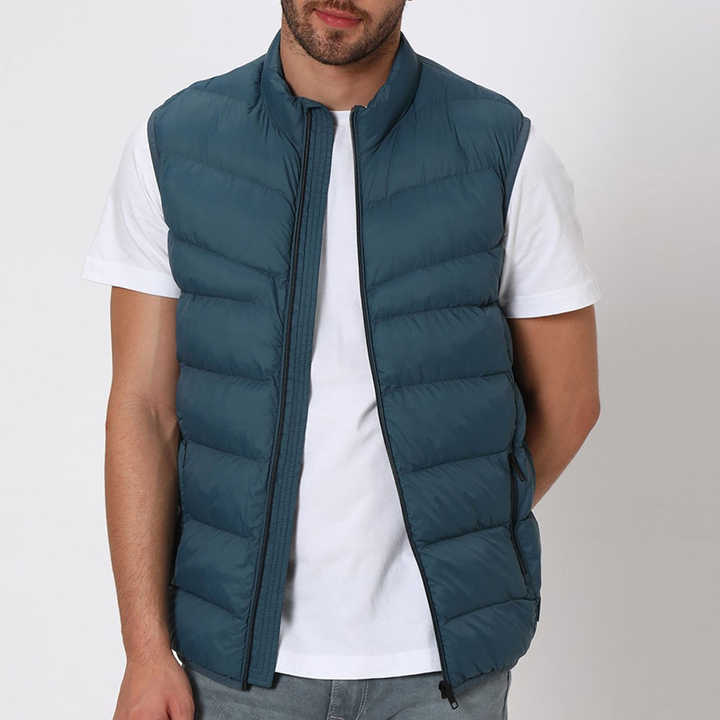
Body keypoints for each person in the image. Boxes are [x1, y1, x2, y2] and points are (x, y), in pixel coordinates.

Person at [82, 2, 601, 718]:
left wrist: (468, 524)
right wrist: (144, 652)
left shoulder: (501, 145)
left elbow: (571, 401)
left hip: (440, 671)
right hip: (234, 669)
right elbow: (142, 409)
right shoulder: (176, 143)